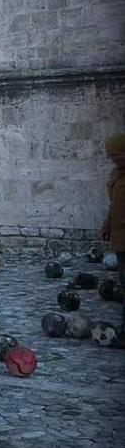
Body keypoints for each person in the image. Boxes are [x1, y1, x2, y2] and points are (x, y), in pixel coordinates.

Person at [100, 131, 125, 337]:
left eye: (118, 155)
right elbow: (114, 205)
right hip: (120, 239)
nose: (114, 159)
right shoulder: (116, 175)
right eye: (112, 156)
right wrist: (107, 225)